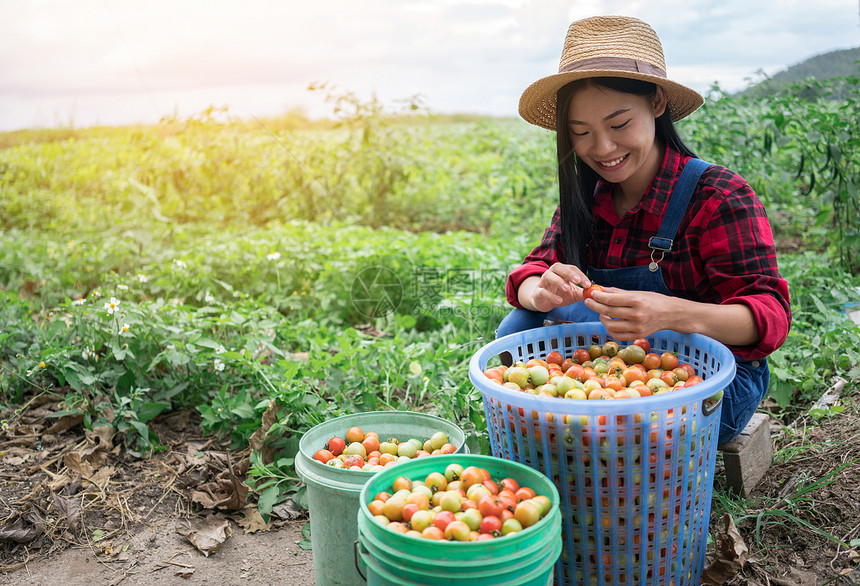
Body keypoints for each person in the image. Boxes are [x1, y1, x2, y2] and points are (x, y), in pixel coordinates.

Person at [497, 15, 791, 445]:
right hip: (615, 372)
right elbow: (530, 272)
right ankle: (585, 438)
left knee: (629, 430)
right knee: (516, 326)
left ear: (656, 103)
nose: (602, 148)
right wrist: (539, 289)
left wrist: (672, 314)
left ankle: (582, 440)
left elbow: (769, 315)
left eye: (619, 125)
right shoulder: (588, 198)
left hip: (706, 380)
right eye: (581, 133)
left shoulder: (717, 195)